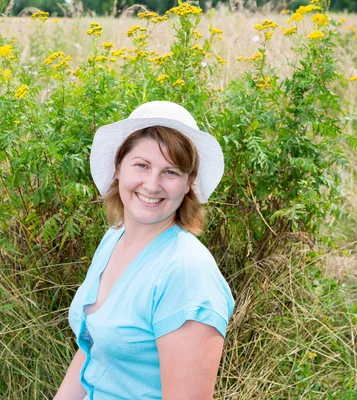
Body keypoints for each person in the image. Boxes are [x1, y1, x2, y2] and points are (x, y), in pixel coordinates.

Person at [54, 101, 235, 400]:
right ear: (118, 168)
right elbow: (94, 350)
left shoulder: (187, 275)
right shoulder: (114, 239)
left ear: (189, 183)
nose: (152, 185)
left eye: (171, 172)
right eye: (142, 165)